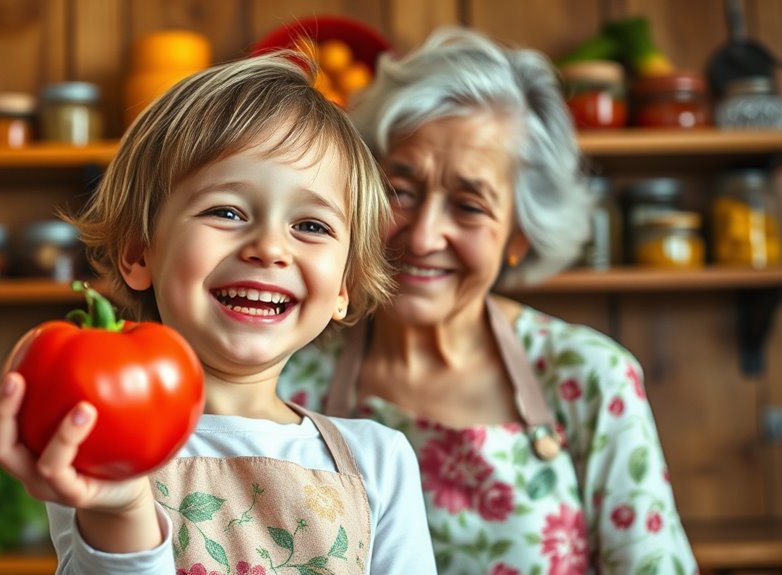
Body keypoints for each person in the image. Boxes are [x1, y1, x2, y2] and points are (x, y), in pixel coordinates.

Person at [0, 52, 438, 574]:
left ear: (345, 285)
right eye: (226, 211)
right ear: (138, 253)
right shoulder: (100, 434)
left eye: (311, 226)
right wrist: (122, 512)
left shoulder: (377, 462)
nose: (270, 248)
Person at [278, 27, 698, 574]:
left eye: (470, 206)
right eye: (399, 192)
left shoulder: (591, 377)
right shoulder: (289, 372)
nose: (425, 236)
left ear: (520, 234)